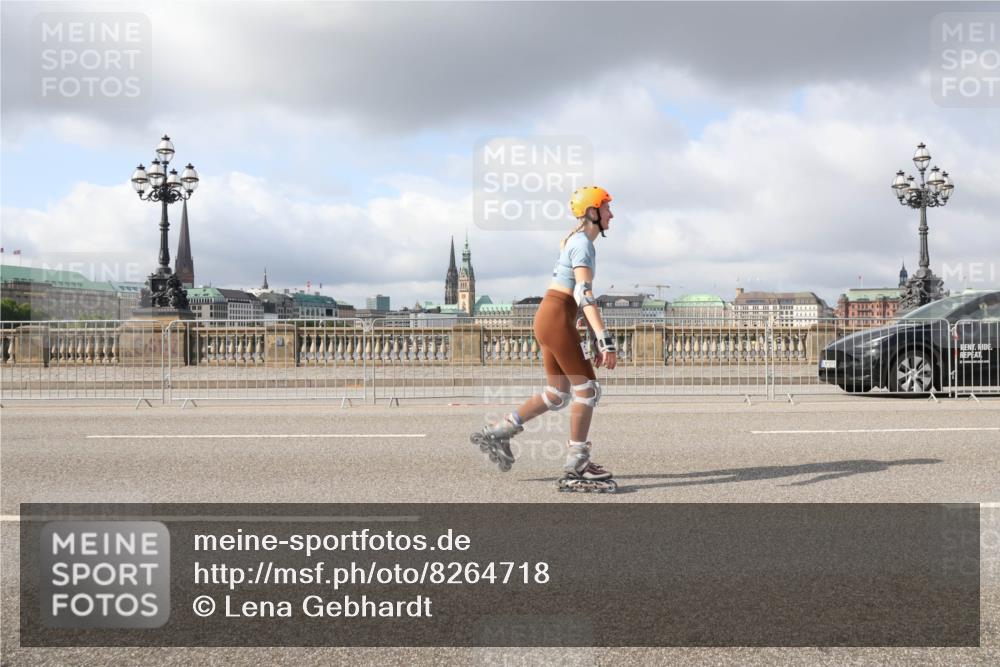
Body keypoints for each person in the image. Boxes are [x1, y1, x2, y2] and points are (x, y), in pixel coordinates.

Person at [471, 186, 619, 492]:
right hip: (555, 317)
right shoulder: (583, 245)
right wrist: (605, 341)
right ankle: (576, 464)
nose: (611, 214)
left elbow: (576, 300)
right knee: (588, 390)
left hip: (552, 316)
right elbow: (583, 293)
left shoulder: (577, 241)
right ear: (592, 213)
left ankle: (499, 432)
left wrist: (590, 336)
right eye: (606, 208)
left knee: (557, 394)